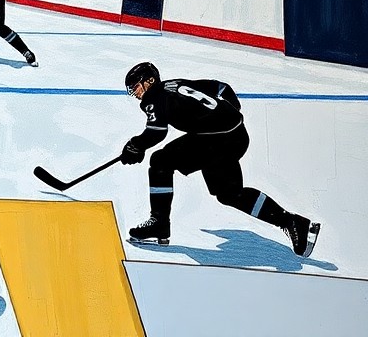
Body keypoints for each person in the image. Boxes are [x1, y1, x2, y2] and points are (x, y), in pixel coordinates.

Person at [119, 62, 319, 257]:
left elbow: (157, 132)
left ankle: (159, 223)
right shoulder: (176, 84)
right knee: (229, 194)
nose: (135, 93)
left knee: (161, 161)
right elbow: (221, 87)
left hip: (215, 140)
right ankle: (293, 223)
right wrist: (229, 114)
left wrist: (135, 146)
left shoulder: (153, 98)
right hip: (236, 135)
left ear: (150, 81)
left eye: (136, 87)